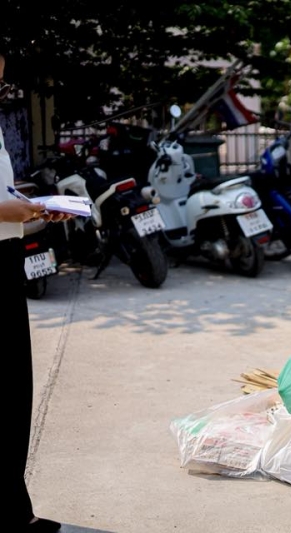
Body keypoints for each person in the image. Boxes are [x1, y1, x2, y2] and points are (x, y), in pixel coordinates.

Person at [1, 50, 70, 533]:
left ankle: (14, 511)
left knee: (11, 391)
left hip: (5, 252)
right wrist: (22, 210)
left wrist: (35, 205)